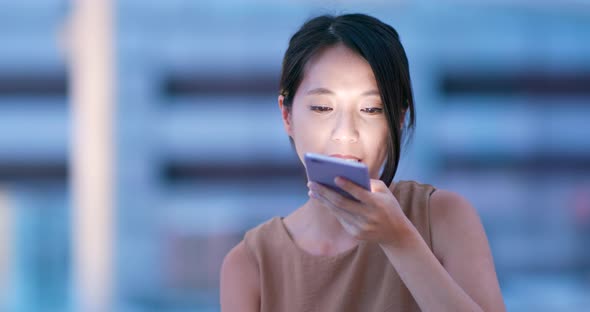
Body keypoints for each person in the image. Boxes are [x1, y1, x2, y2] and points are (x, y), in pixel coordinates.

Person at [220, 13, 505, 312]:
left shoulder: (444, 218)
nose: (345, 133)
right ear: (287, 116)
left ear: (399, 119)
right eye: (322, 107)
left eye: (370, 109)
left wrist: (400, 241)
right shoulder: (250, 263)